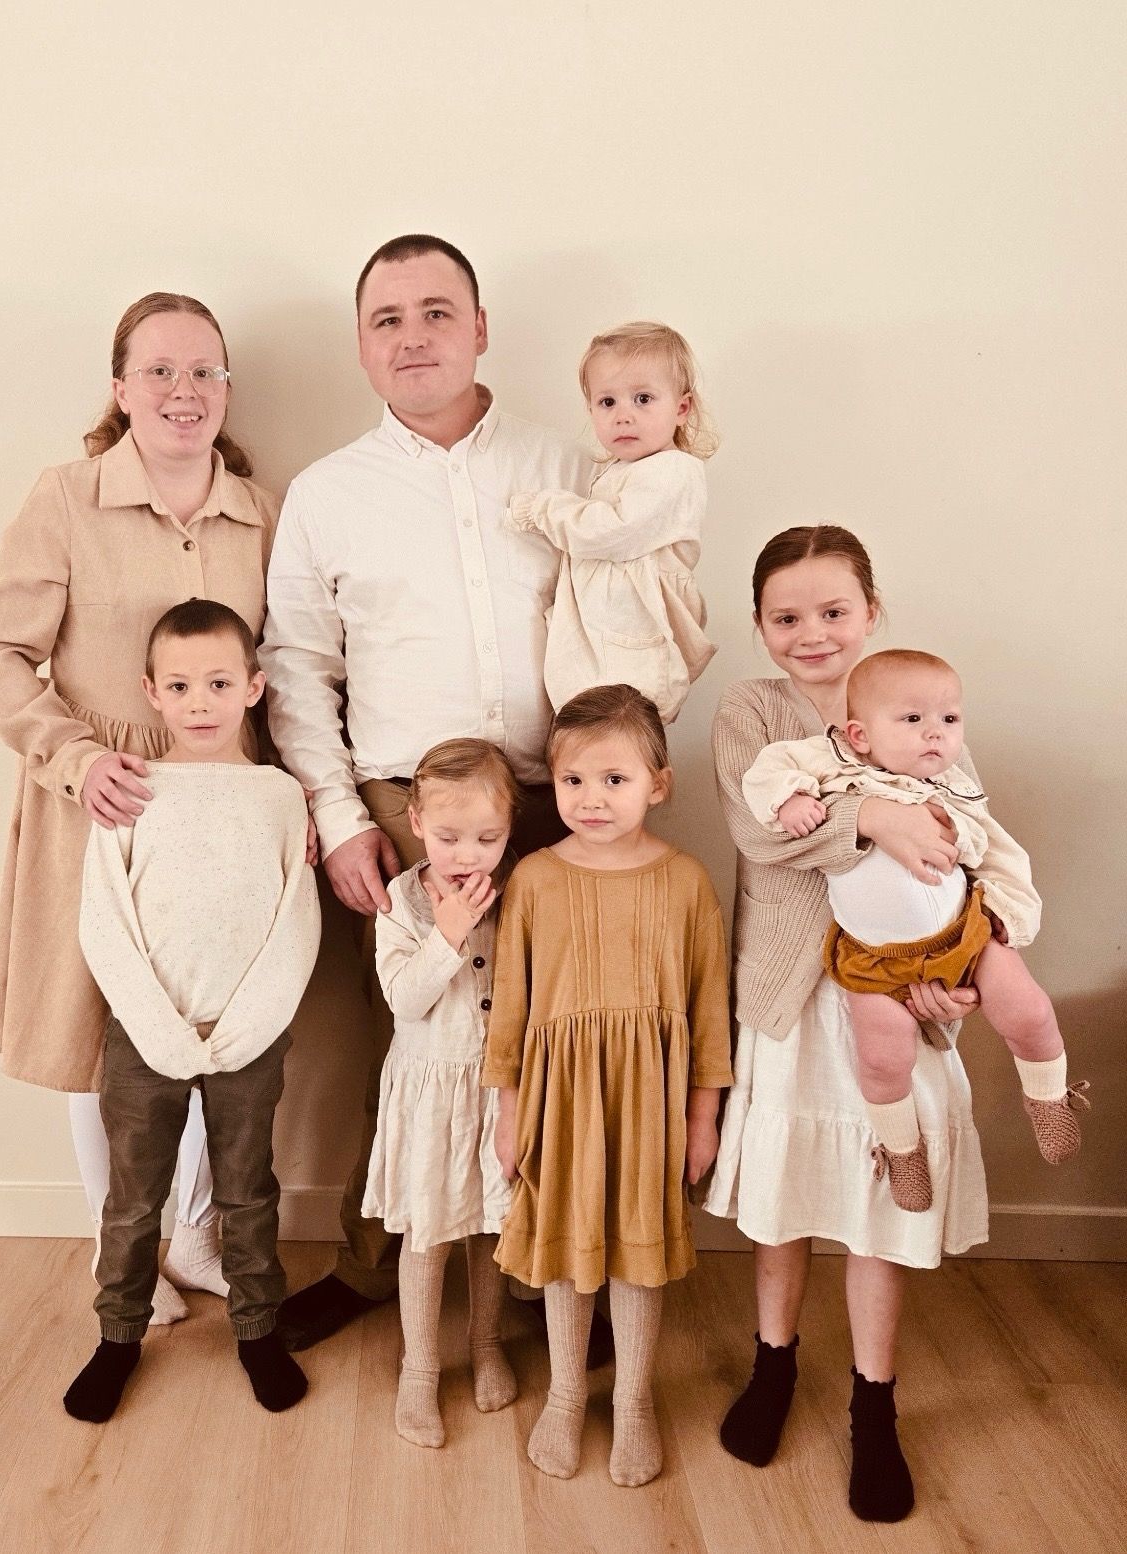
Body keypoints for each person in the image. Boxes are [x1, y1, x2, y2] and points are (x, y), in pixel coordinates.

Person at [259, 233, 605, 1353]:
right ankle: (376, 1266)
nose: (414, 335)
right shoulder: (325, 494)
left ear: (482, 326)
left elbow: (632, 630)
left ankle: (549, 1276)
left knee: (555, 1044)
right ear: (362, 348)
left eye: (436, 311)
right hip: (403, 810)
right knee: (407, 1045)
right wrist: (342, 816)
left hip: (562, 800)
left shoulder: (569, 472)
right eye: (387, 319)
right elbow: (299, 668)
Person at [0, 293, 280, 1321]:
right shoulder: (65, 498)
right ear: (120, 387)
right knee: (98, 1037)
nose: (183, 393)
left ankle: (190, 1231)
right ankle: (126, 1253)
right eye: (159, 372)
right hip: (96, 806)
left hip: (222, 817)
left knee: (208, 1024)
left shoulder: (261, 510)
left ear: (227, 388)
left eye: (203, 372)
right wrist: (72, 758)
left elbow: (277, 667)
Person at [705, 525, 992, 1523]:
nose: (813, 633)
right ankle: (774, 1365)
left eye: (834, 612)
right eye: (788, 617)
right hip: (793, 991)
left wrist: (958, 971)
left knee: (880, 1197)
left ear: (872, 610)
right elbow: (757, 830)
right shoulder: (751, 711)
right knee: (783, 1203)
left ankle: (876, 1404)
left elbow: (966, 850)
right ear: (760, 627)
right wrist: (877, 819)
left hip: (895, 994)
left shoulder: (913, 707)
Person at [65, 601, 320, 1422]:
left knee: (248, 1189)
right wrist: (157, 1025)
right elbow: (104, 920)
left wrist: (249, 1025)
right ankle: (117, 1336)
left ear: (253, 687)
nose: (200, 701)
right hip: (147, 1035)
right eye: (180, 685)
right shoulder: (133, 794)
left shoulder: (280, 797)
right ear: (152, 692)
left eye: (217, 682)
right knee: (134, 1199)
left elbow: (296, 922)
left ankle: (256, 1329)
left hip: (249, 1033)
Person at [484, 685, 732, 1487]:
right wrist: (509, 1110)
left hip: (651, 1101)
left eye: (615, 780)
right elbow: (512, 1010)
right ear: (552, 783)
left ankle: (632, 1399)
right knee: (564, 1254)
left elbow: (708, 1013)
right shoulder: (534, 881)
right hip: (560, 1100)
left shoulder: (688, 880)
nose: (592, 800)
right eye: (574, 782)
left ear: (657, 784)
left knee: (638, 1254)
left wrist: (703, 1116)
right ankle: (564, 1394)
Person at [742, 648, 1087, 1209]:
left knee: (1030, 1009)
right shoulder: (830, 761)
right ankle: (901, 1152)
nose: (936, 735)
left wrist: (1008, 918)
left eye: (949, 720)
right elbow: (767, 771)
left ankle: (1048, 1099)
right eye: (913, 720)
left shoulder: (954, 790)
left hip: (965, 935)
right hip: (873, 959)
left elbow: (1003, 859)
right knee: (881, 1058)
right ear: (859, 733)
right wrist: (790, 800)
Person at [361, 739, 521, 1448]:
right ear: (418, 822)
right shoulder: (401, 901)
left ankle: (487, 1343)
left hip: (493, 1088)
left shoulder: (519, 889)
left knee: (489, 1225)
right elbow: (404, 1001)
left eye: (488, 838)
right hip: (429, 1090)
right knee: (428, 1233)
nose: (469, 855)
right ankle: (420, 1367)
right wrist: (449, 933)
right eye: (451, 836)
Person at [505, 320, 717, 722]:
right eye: (607, 402)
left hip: (631, 651)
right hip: (596, 648)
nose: (623, 416)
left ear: (681, 407)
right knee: (585, 758)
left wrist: (543, 509)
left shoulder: (674, 470)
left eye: (642, 398)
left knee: (622, 751)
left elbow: (613, 530)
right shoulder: (615, 472)